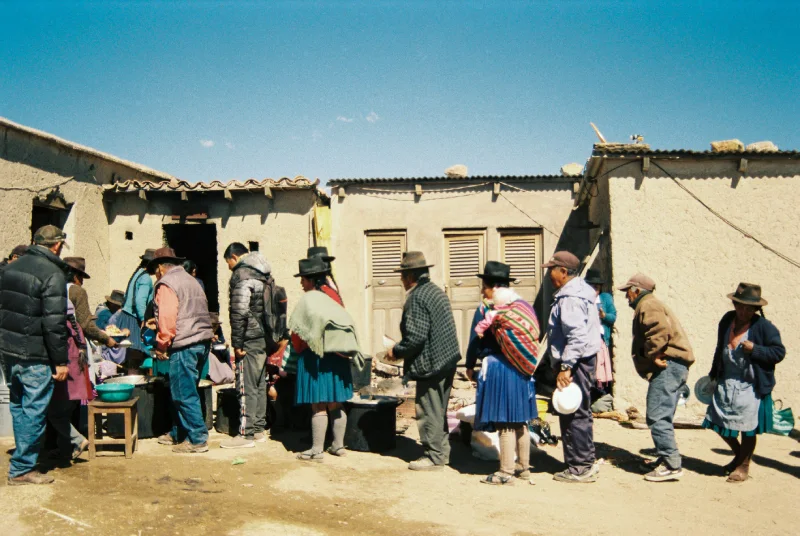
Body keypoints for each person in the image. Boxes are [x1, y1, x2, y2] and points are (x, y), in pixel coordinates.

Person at [0, 225, 69, 485]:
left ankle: (22, 460)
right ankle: (21, 469)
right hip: (35, 354)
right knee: (34, 410)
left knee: (18, 406)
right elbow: (54, 323)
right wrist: (60, 360)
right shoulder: (53, 273)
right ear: (57, 245)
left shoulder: (9, 268)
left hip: (8, 350)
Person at [467, 261, 541, 485]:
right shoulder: (520, 305)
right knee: (520, 420)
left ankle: (505, 471)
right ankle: (524, 467)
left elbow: (474, 340)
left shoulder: (488, 309)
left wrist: (470, 364)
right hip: (521, 368)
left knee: (505, 421)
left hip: (500, 369)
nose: (482, 291)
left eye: (485, 286)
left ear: (493, 287)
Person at [702, 283, 785, 483]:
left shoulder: (764, 327)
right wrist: (714, 372)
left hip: (750, 385)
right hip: (727, 381)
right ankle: (740, 456)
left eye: (749, 308)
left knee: (747, 428)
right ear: (734, 304)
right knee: (716, 422)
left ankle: (743, 465)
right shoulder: (727, 320)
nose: (743, 311)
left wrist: (756, 349)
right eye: (740, 306)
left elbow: (778, 352)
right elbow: (719, 347)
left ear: (756, 309)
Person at [388, 252, 460, 471]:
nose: (400, 279)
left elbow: (416, 337)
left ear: (411, 276)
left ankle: (433, 456)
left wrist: (395, 351)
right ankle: (442, 452)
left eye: (402, 275)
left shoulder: (417, 297)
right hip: (447, 359)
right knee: (438, 409)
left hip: (432, 364)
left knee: (428, 409)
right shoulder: (435, 292)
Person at [619, 273, 695, 482]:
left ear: (636, 290)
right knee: (663, 415)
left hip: (668, 366)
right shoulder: (649, 303)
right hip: (673, 366)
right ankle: (665, 458)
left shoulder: (648, 305)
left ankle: (671, 465)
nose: (627, 296)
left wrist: (654, 353)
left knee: (657, 415)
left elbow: (659, 330)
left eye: (628, 292)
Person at [288, 256, 358, 462]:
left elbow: (298, 333)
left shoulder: (309, 299)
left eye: (303, 279)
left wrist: (299, 350)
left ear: (311, 279)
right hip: (337, 356)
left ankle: (317, 450)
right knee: (335, 402)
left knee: (318, 404)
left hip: (316, 358)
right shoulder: (334, 295)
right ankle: (338, 446)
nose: (301, 283)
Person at [544, 251, 603, 483]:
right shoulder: (581, 291)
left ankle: (580, 468)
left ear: (564, 272)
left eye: (552, 270)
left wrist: (566, 367)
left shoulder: (570, 298)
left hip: (575, 362)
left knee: (573, 412)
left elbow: (576, 336)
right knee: (580, 412)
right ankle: (583, 462)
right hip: (582, 360)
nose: (549, 274)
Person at [150, 247, 214, 454]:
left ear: (160, 267)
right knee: (185, 388)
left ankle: (197, 438)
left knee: (182, 393)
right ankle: (179, 431)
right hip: (201, 340)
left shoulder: (167, 283)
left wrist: (161, 343)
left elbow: (167, 317)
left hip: (185, 343)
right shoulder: (191, 280)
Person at [221, 242, 274, 448]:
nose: (228, 267)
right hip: (263, 336)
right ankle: (259, 429)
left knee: (245, 385)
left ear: (234, 257)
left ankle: (246, 434)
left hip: (249, 338)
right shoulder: (264, 273)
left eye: (228, 262)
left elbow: (240, 311)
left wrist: (237, 342)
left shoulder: (241, 274)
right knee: (260, 383)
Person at [47, 293, 93, 463]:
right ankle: (65, 451)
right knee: (64, 415)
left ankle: (78, 440)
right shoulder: (76, 327)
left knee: (54, 414)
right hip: (78, 383)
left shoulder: (61, 329)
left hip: (66, 382)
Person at [63, 258, 118, 351]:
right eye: (81, 278)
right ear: (75, 276)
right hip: (72, 341)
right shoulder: (78, 291)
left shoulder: (55, 287)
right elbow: (85, 324)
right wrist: (106, 339)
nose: (82, 282)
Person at [118, 249, 156, 372]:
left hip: (126, 316)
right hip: (134, 319)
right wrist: (144, 320)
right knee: (137, 354)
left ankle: (132, 378)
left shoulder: (137, 273)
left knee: (132, 355)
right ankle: (136, 383)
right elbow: (140, 301)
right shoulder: (146, 278)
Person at [585, 269, 616, 410]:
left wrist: (603, 316)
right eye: (591, 286)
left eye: (596, 287)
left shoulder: (605, 299)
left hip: (601, 340)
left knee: (600, 370)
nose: (594, 290)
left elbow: (613, 317)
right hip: (587, 341)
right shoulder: (583, 299)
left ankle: (600, 398)